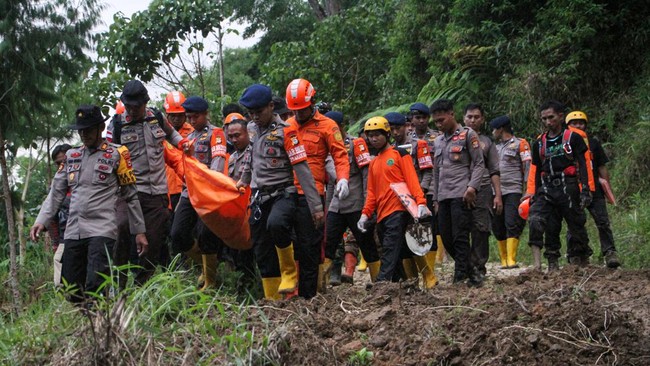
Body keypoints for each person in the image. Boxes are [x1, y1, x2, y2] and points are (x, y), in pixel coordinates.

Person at [30, 105, 147, 303]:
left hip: (102, 229)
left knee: (96, 285)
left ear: (101, 127)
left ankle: (102, 327)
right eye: (81, 131)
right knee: (72, 289)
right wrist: (41, 220)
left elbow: (130, 195)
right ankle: (85, 327)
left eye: (89, 130)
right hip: (74, 230)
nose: (84, 135)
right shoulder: (70, 157)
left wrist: (139, 231)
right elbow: (56, 192)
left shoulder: (118, 154)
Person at [239, 84, 324, 300]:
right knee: (261, 248)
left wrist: (316, 207)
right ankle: (272, 300)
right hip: (259, 197)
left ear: (271, 107)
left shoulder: (287, 131)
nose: (255, 117)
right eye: (251, 113)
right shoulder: (251, 130)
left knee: (276, 224)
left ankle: (289, 272)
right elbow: (251, 160)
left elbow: (302, 169)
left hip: (283, 193)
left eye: (259, 112)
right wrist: (243, 180)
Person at [107, 79, 187, 284]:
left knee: (153, 241)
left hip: (157, 192)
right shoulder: (116, 124)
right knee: (123, 228)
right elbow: (107, 155)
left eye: (137, 106)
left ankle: (142, 284)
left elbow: (172, 134)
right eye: (129, 106)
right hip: (128, 191)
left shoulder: (157, 117)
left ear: (145, 103)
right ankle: (118, 283)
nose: (133, 111)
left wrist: (183, 144)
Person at [285, 78, 350, 293]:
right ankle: (289, 288)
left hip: (312, 195)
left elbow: (340, 155)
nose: (299, 114)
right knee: (285, 239)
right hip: (287, 193)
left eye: (303, 109)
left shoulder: (328, 126)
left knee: (309, 246)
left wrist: (342, 178)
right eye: (295, 110)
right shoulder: (286, 126)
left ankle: (308, 295)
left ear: (312, 103)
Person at [358, 117, 433, 283]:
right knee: (395, 249)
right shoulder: (373, 162)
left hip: (398, 210)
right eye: (370, 136)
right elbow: (371, 192)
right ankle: (402, 284)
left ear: (387, 134)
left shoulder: (399, 154)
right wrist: (365, 214)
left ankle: (382, 281)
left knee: (390, 248)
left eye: (378, 134)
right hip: (382, 214)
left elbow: (412, 180)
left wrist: (421, 202)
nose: (374, 138)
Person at [169, 96, 228, 290]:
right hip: (189, 191)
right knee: (177, 233)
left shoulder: (216, 134)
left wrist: (213, 185)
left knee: (205, 233)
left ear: (205, 114)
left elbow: (218, 161)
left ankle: (210, 281)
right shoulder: (189, 138)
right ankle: (205, 266)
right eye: (189, 117)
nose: (192, 121)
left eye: (195, 117)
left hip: (209, 191)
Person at [527, 101, 593, 269]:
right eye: (544, 119)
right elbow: (536, 169)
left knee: (576, 224)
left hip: (568, 185)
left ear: (561, 117)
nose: (548, 122)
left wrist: (585, 189)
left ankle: (580, 259)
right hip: (547, 186)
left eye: (551, 117)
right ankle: (542, 263)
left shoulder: (573, 138)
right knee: (538, 220)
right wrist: (534, 193)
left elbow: (583, 164)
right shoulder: (539, 143)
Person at [431, 99, 485, 285]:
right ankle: (472, 270)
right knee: (446, 238)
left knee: (460, 236)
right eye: (436, 121)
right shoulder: (437, 141)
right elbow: (436, 171)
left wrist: (472, 187)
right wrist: (436, 198)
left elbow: (479, 164)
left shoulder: (468, 135)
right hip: (443, 195)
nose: (439, 124)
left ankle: (460, 277)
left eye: (442, 120)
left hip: (461, 193)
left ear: (452, 115)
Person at [322, 111, 380, 285]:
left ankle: (379, 283)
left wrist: (367, 205)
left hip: (356, 203)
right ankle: (320, 284)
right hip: (336, 205)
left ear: (341, 126)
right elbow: (331, 181)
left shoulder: (357, 144)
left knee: (366, 242)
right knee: (328, 243)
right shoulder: (327, 146)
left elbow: (365, 175)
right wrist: (327, 207)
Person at [386, 111, 437, 287]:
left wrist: (419, 194)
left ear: (407, 127)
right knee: (403, 239)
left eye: (398, 128)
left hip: (419, 197)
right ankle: (411, 279)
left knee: (418, 235)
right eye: (391, 129)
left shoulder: (418, 145)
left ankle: (429, 275)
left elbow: (427, 171)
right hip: (399, 200)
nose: (395, 132)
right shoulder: (390, 149)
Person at [565, 111, 620, 268]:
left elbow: (602, 166)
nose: (578, 126)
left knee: (602, 222)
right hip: (574, 188)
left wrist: (607, 188)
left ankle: (610, 253)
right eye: (574, 123)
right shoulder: (564, 143)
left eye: (581, 123)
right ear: (568, 126)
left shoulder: (593, 142)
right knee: (574, 224)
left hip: (594, 188)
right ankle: (575, 255)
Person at [463, 104, 502, 285]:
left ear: (482, 119)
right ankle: (462, 268)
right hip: (459, 189)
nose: (472, 120)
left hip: (483, 188)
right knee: (459, 229)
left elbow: (494, 170)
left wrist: (498, 195)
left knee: (481, 229)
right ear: (463, 118)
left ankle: (479, 268)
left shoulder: (487, 142)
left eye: (476, 117)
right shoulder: (455, 139)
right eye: (469, 116)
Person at [490, 115, 531, 269]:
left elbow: (527, 167)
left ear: (501, 129)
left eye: (494, 129)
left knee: (512, 222)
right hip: (496, 192)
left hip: (513, 190)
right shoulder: (495, 147)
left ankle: (512, 259)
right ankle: (503, 259)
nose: (493, 132)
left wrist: (527, 190)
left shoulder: (521, 144)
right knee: (497, 224)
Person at [48, 144, 72, 286]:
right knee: (59, 281)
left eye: (64, 161)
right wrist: (55, 243)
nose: (62, 166)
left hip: (90, 234)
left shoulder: (85, 181)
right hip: (65, 237)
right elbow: (52, 217)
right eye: (58, 163)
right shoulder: (56, 187)